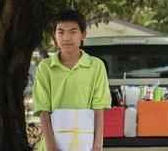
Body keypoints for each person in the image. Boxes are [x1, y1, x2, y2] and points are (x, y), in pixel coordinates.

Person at [33, 10, 111, 151]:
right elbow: (44, 111)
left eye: (73, 32)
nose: (66, 37)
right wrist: (52, 147)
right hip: (52, 145)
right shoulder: (45, 68)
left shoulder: (96, 66)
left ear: (83, 35)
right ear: (54, 36)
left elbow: (98, 110)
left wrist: (98, 146)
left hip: (85, 144)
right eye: (61, 32)